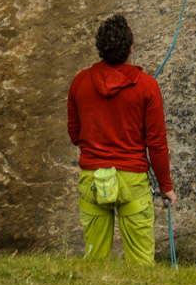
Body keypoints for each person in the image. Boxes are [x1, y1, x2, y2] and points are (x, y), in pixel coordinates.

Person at [66, 14, 174, 264]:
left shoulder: (80, 82)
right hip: (132, 181)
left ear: (100, 48)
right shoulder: (147, 87)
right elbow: (156, 144)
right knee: (140, 263)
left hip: (92, 177)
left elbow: (75, 135)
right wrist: (166, 187)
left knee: (95, 261)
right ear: (130, 48)